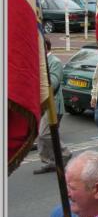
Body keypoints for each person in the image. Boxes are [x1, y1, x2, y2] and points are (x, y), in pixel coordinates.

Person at [33, 37, 72, 174]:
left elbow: (54, 84)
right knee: (41, 135)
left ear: (45, 47)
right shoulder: (40, 62)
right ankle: (51, 162)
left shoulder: (54, 62)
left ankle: (65, 154)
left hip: (53, 104)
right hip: (41, 104)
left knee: (45, 134)